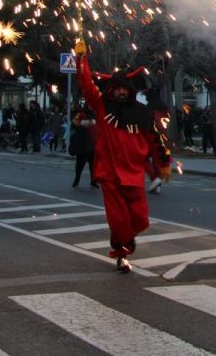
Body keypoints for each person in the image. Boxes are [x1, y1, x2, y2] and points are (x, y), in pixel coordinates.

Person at [75, 38, 153, 273]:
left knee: (140, 219)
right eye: (116, 88)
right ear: (111, 90)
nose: (120, 92)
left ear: (129, 91)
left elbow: (152, 139)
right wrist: (81, 59)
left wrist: (159, 164)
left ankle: (124, 241)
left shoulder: (141, 112)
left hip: (134, 171)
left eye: (124, 89)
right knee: (119, 219)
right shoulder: (102, 107)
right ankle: (123, 252)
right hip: (109, 172)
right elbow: (87, 84)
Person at [69, 102, 97, 188]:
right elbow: (74, 124)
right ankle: (77, 179)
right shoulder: (81, 114)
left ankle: (93, 180)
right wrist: (83, 123)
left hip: (93, 142)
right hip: (82, 143)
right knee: (80, 163)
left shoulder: (96, 114)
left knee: (93, 164)